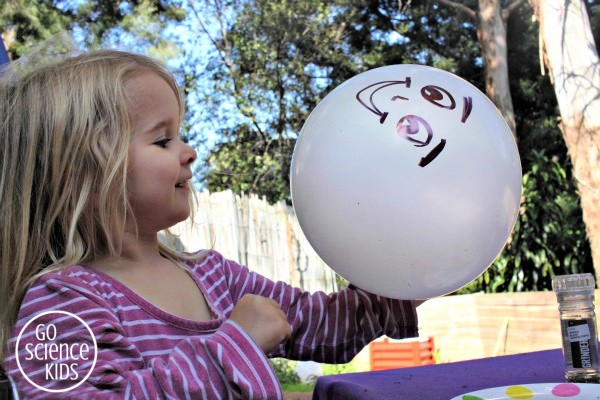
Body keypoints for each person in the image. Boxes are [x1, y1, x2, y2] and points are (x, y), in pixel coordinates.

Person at [0, 46, 419, 399]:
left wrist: (409, 281)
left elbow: (320, 323)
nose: (189, 152)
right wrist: (233, 350)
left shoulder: (214, 275)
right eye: (163, 139)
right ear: (83, 174)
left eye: (179, 134)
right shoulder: (59, 303)